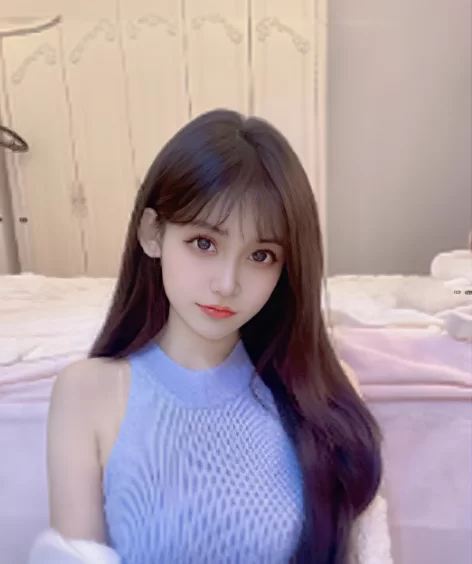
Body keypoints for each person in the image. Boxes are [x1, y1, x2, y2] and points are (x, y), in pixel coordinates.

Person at [40, 109, 388, 564]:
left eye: (261, 255)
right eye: (204, 243)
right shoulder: (87, 392)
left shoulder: (323, 392)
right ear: (152, 233)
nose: (227, 283)